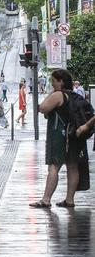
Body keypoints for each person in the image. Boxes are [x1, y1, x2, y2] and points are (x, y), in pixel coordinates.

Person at [30, 69, 84, 208]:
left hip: (59, 136)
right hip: (73, 135)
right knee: (72, 166)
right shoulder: (72, 95)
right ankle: (70, 200)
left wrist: (51, 94)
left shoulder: (58, 95)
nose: (52, 84)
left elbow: (42, 108)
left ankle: (46, 199)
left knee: (54, 167)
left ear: (61, 81)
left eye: (54, 81)